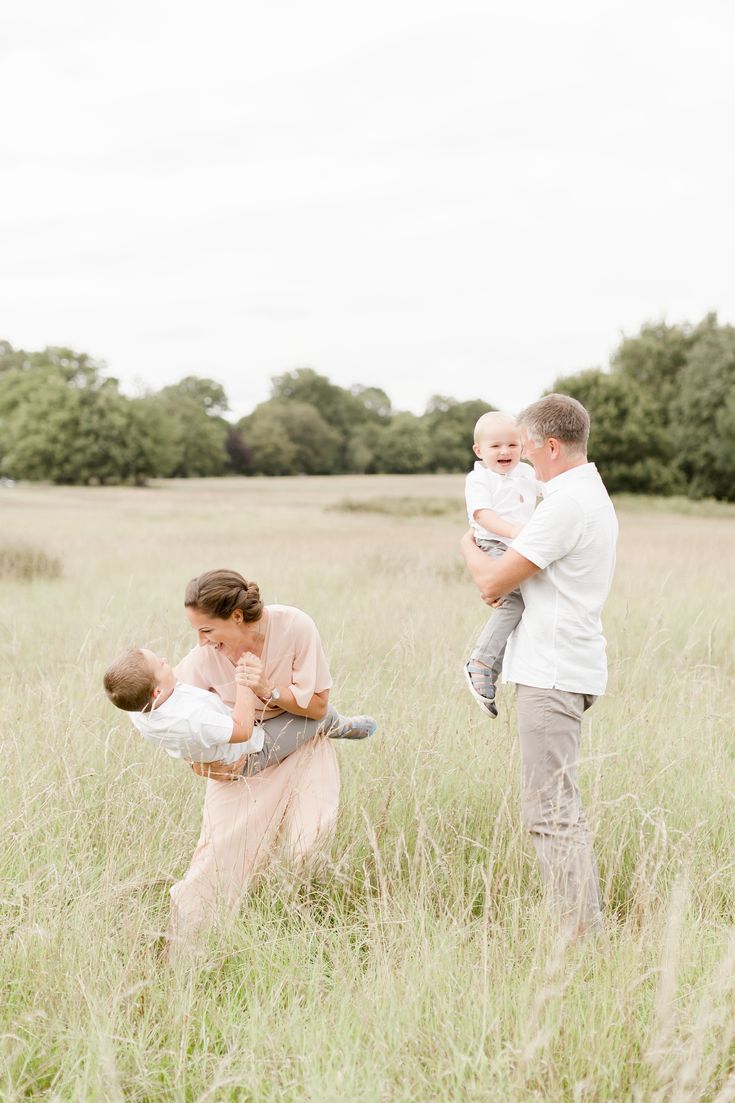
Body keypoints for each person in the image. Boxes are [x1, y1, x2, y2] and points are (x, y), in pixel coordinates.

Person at [461, 394, 618, 938]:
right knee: (557, 807)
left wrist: (467, 545)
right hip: (566, 662)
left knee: (551, 813)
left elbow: (492, 583)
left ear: (550, 445)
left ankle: (581, 941)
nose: (521, 455)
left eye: (526, 445)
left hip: (551, 672)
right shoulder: (580, 493)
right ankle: (583, 933)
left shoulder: (566, 505)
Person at [165, 568, 372, 949]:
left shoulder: (294, 626)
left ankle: (293, 931)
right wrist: (198, 763)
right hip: (242, 761)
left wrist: (265, 689)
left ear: (238, 617)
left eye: (207, 630)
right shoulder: (202, 658)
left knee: (305, 846)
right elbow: (179, 719)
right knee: (215, 858)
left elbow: (317, 706)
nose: (201, 641)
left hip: (299, 741)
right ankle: (186, 946)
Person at [102, 647, 375, 775]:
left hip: (217, 739)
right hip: (252, 751)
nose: (164, 659)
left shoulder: (136, 708)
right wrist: (244, 680)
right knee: (318, 715)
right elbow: (243, 731)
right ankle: (343, 726)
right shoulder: (190, 719)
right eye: (160, 665)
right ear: (156, 693)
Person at [463, 411, 542, 719]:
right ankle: (480, 664)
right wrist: (513, 531)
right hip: (495, 542)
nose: (505, 452)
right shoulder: (479, 478)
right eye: (496, 446)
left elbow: (549, 492)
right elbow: (482, 515)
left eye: (512, 444)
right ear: (479, 450)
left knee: (529, 602)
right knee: (513, 600)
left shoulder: (526, 472)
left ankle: (493, 670)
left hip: (520, 545)